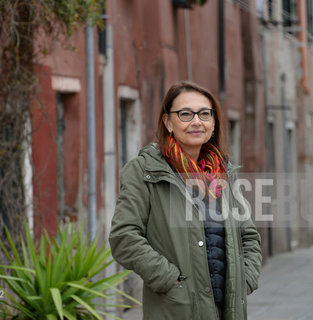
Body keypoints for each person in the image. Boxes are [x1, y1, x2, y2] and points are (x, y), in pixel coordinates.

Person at [109, 81, 262, 320]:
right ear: (168, 122)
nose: (196, 121)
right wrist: (169, 280)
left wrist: (246, 279)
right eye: (185, 114)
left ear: (213, 123)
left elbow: (248, 235)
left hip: (228, 309)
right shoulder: (144, 171)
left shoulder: (224, 172)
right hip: (177, 308)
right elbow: (124, 236)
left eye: (204, 114)